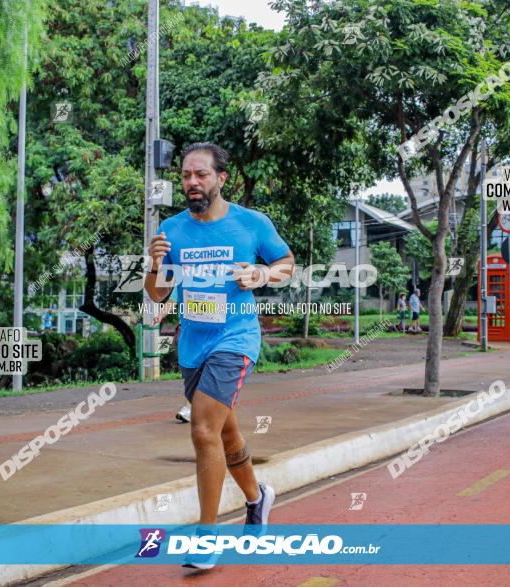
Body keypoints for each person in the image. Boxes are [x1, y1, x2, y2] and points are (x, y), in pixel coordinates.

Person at [145, 142, 294, 570]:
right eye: (187, 176)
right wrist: (155, 265)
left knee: (203, 429)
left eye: (201, 175)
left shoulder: (250, 224)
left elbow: (287, 262)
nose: (192, 182)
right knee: (225, 436)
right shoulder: (171, 230)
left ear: (221, 179)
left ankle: (206, 537)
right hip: (193, 345)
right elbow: (156, 296)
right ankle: (257, 497)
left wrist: (263, 273)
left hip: (236, 339)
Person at [151, 286, 190, 422]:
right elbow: (172, 301)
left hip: (215, 334)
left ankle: (195, 407)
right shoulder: (183, 280)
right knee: (192, 373)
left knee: (208, 371)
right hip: (188, 332)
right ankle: (191, 407)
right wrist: (160, 315)